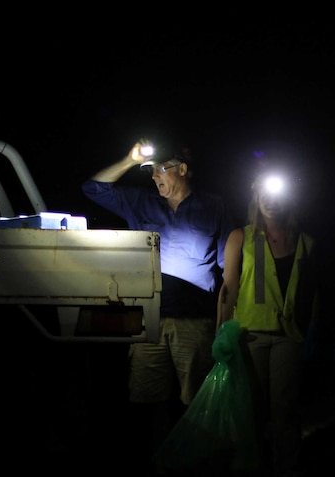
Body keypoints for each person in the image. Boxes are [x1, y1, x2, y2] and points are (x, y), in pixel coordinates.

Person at [81, 137, 234, 475]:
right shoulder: (140, 202)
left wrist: (225, 324)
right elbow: (92, 188)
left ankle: (196, 465)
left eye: (161, 169)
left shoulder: (215, 205)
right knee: (148, 401)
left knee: (195, 403)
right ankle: (157, 464)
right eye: (149, 171)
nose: (154, 177)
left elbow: (228, 273)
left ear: (183, 169)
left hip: (195, 322)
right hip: (148, 320)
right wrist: (129, 158)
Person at [217, 167, 320, 477]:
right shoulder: (241, 237)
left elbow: (313, 291)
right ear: (256, 199)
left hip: (289, 335)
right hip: (250, 336)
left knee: (285, 410)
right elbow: (228, 287)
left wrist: (313, 328)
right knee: (252, 410)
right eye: (264, 194)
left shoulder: (305, 242)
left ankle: (285, 466)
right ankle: (252, 465)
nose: (270, 201)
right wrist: (221, 331)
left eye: (276, 195)